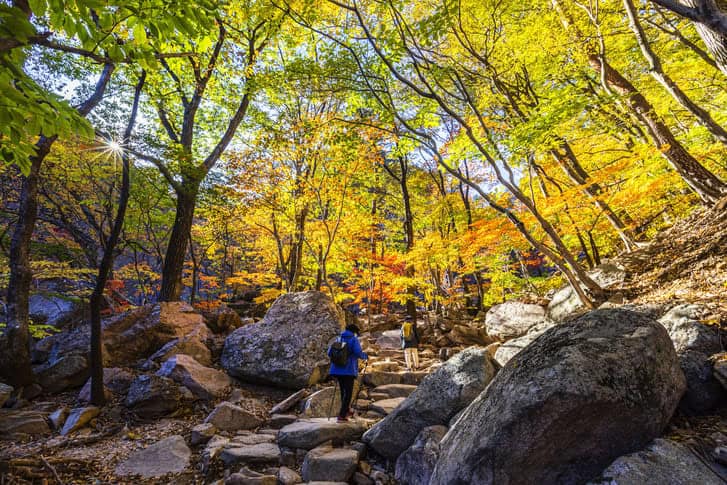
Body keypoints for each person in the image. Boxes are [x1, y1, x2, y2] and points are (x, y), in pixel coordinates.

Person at [328, 324, 368, 422]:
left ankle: (346, 410)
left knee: (343, 391)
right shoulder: (353, 339)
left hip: (336, 370)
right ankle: (342, 415)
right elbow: (358, 352)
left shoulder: (338, 339)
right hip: (348, 370)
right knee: (348, 392)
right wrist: (365, 356)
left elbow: (329, 353)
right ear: (354, 331)